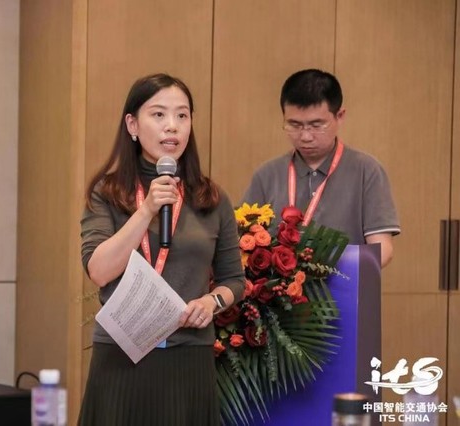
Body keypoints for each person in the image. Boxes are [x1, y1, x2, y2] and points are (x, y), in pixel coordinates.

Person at [79, 73, 245, 426]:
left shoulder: (211, 198)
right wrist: (146, 210)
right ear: (132, 124)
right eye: (159, 114)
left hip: (188, 357)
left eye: (182, 115)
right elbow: (99, 270)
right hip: (121, 356)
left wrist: (211, 302)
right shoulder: (107, 192)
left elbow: (234, 280)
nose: (172, 126)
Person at [242, 69, 400, 267]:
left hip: (344, 284)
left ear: (339, 116)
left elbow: (383, 249)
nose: (305, 136)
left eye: (316, 125)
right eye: (294, 125)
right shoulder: (266, 175)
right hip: (281, 286)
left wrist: (322, 271)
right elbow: (243, 242)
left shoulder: (367, 171)